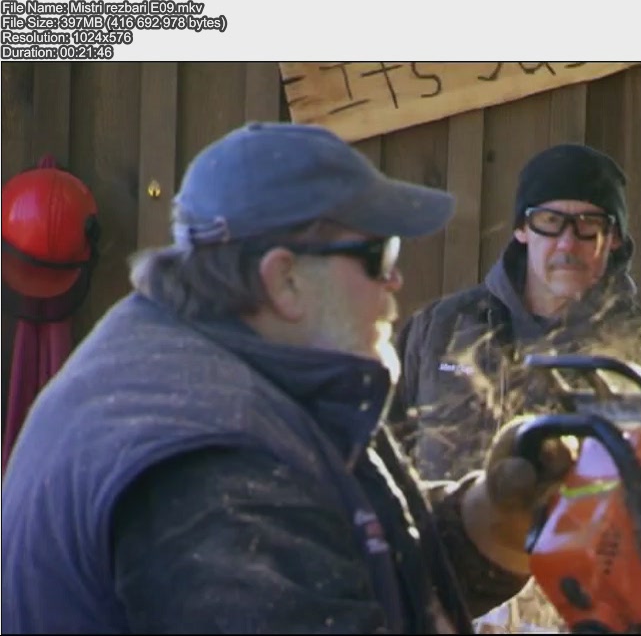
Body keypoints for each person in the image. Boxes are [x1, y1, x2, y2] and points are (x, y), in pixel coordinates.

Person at [0, 122, 572, 634]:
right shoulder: (210, 458)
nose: (395, 280)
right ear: (285, 280)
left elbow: (342, 554)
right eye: (378, 253)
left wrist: (493, 518)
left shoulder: (251, 376)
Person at [390, 143, 641, 483]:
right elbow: (381, 457)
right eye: (550, 221)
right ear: (522, 229)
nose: (567, 243)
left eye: (588, 225)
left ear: (614, 239)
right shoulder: (439, 328)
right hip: (449, 517)